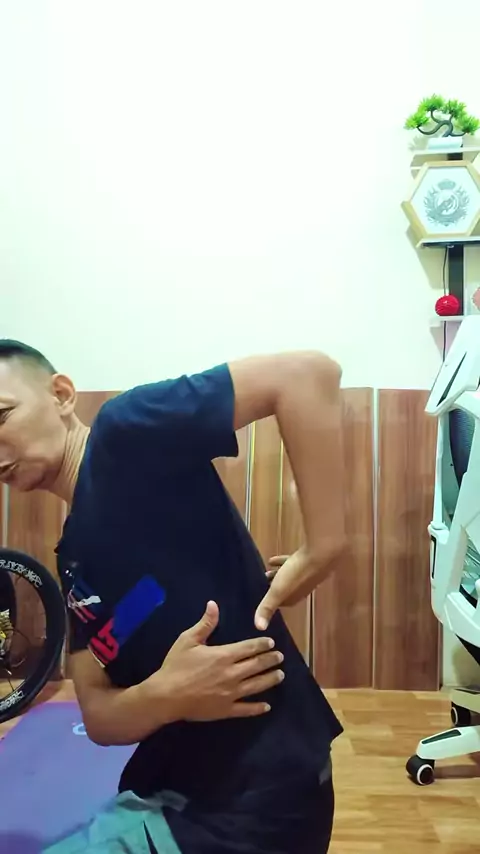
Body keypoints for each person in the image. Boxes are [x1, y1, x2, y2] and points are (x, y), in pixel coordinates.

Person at [0, 339, 347, 854]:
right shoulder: (74, 555)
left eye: (2, 415)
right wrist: (166, 696)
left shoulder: (123, 434)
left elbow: (306, 373)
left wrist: (325, 545)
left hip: (258, 802)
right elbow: (98, 714)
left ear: (62, 395)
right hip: (169, 791)